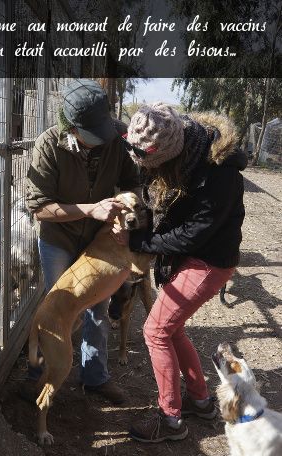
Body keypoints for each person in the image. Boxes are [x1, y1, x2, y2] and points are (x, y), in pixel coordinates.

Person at [111, 103, 247, 442]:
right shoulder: (179, 151)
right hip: (188, 256)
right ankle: (200, 401)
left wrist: (143, 241)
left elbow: (194, 232)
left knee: (155, 332)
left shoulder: (218, 172)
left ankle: (169, 419)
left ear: (171, 153)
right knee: (171, 329)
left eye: (152, 164)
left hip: (208, 260)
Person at [24, 79, 140, 405]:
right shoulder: (49, 145)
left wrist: (125, 223)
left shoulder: (115, 140)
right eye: (91, 135)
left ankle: (94, 376)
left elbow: (133, 184)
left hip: (97, 240)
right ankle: (38, 376)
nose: (98, 142)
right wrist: (90, 209)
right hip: (58, 238)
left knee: (99, 308)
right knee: (59, 307)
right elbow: (39, 208)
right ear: (71, 126)